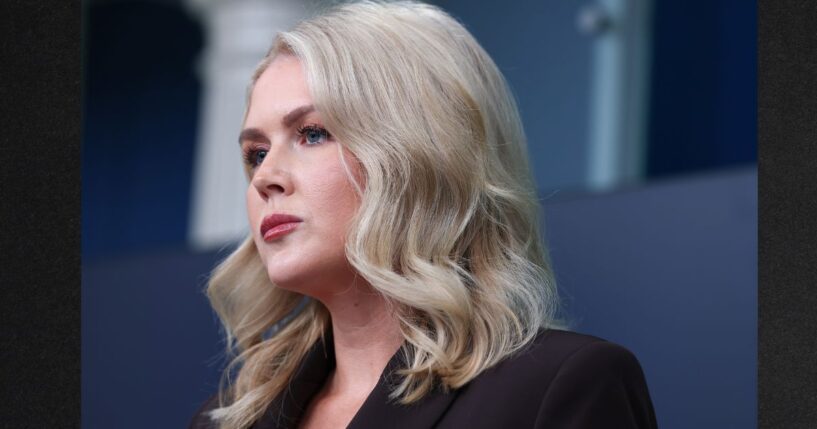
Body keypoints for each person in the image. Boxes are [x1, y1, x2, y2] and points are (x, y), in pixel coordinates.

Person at [189, 1, 657, 428]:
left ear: (421, 152)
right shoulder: (224, 419)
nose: (264, 177)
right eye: (255, 152)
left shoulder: (560, 387)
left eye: (312, 133)